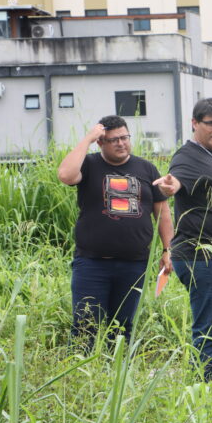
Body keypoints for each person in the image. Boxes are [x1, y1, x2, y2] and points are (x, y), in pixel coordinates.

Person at [153, 99, 212, 382]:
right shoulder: (188, 156)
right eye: (211, 124)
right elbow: (177, 180)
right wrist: (172, 186)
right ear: (195, 123)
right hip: (202, 257)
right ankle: (201, 396)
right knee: (209, 330)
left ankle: (201, 390)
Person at [57, 115, 173, 350]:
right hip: (92, 264)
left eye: (125, 137)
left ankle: (118, 377)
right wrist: (88, 138)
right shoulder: (89, 165)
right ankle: (80, 379)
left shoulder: (146, 168)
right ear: (101, 142)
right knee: (84, 326)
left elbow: (163, 213)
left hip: (134, 264)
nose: (121, 143)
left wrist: (168, 249)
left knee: (123, 327)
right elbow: (66, 176)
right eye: (113, 140)